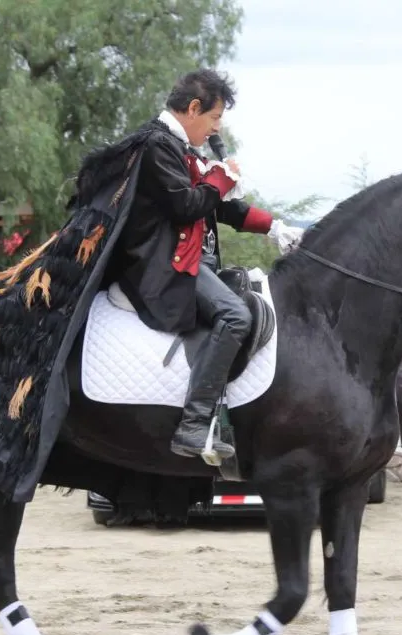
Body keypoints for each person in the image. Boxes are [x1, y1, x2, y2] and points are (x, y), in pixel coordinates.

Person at [105, 68, 305, 461]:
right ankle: (194, 425)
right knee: (236, 317)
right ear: (193, 108)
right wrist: (218, 178)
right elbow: (186, 206)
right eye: (214, 119)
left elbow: (222, 207)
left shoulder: (182, 151)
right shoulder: (155, 147)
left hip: (194, 265)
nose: (215, 130)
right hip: (160, 270)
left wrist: (275, 227)